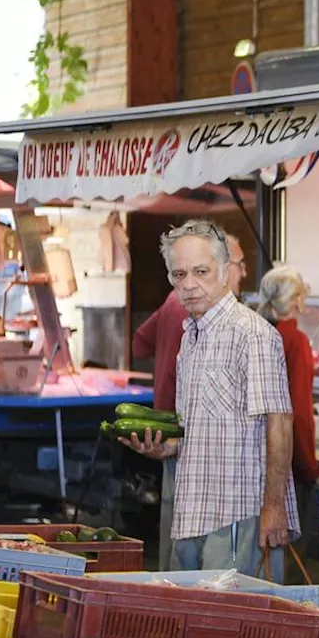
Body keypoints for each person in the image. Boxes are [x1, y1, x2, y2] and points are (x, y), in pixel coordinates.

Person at [122, 220, 297, 579]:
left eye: (200, 271)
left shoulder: (253, 335)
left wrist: (274, 507)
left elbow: (280, 422)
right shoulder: (191, 336)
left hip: (238, 516)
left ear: (223, 271)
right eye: (179, 274)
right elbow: (201, 426)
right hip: (191, 510)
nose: (189, 284)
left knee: (238, 626)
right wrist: (166, 448)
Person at [133, 233, 246, 570]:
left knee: (178, 537)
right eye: (235, 266)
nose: (239, 275)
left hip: (173, 432)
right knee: (202, 554)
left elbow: (140, 342)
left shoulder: (174, 303)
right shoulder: (202, 313)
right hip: (187, 439)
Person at [257, 264, 319, 572]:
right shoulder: (295, 340)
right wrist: (311, 469)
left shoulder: (259, 331)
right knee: (287, 556)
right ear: (297, 300)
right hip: (286, 466)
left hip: (256, 459)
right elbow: (296, 413)